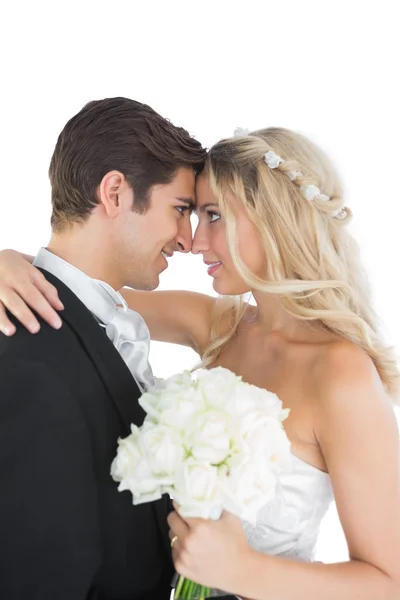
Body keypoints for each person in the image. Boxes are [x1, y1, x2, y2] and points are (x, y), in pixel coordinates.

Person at [1, 127, 400, 599]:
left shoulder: (341, 374)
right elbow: (82, 289)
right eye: (192, 214)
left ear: (275, 219)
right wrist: (6, 262)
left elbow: (388, 581)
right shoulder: (215, 323)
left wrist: (243, 571)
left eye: (214, 216)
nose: (194, 241)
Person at [0, 96, 207, 600]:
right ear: (115, 192)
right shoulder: (27, 349)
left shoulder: (91, 314)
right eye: (180, 210)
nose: (187, 239)